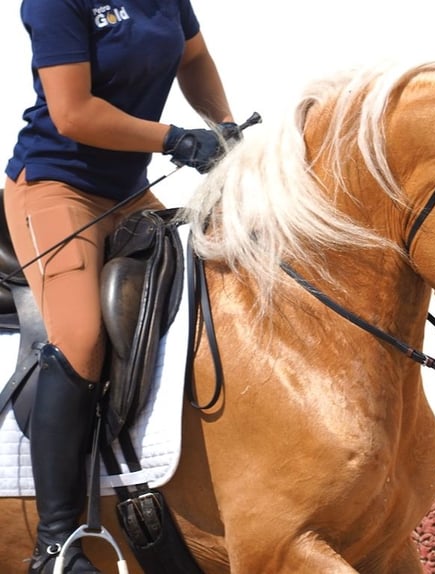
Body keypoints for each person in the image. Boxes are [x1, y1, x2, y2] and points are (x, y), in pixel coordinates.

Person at [3, 1, 238, 572]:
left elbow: (196, 57)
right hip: (57, 189)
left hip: (129, 191)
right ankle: (55, 545)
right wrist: (176, 140)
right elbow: (73, 113)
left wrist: (224, 131)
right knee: (81, 340)